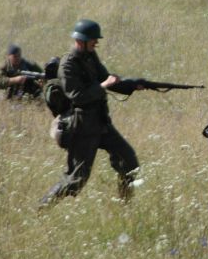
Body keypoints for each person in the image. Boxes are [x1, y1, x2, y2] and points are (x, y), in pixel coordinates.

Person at [39, 19, 140, 208]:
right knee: (76, 179)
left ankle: (125, 207)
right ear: (81, 41)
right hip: (82, 126)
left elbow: (106, 79)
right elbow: (78, 96)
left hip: (101, 122)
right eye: (93, 41)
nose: (96, 44)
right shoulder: (68, 64)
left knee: (129, 162)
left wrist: (132, 86)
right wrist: (104, 85)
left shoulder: (90, 56)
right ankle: (43, 208)